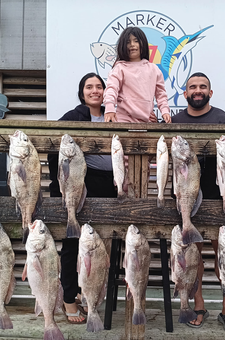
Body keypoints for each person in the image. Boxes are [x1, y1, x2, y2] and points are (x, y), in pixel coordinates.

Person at [171, 72, 225, 335]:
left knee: (223, 253)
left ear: (210, 93)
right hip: (186, 198)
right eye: (193, 87)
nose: (198, 90)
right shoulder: (175, 122)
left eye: (203, 86)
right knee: (193, 256)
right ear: (185, 93)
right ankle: (199, 305)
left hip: (221, 198)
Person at [48, 72, 117, 324]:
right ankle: (68, 298)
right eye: (89, 87)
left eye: (99, 86)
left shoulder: (114, 116)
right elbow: (57, 150)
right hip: (84, 185)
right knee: (72, 242)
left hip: (110, 185)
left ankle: (90, 298)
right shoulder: (73, 117)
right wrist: (62, 190)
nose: (95, 90)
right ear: (82, 92)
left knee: (100, 246)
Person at [103, 27, 171, 124]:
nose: (132, 45)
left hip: (147, 121)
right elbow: (111, 89)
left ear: (143, 43)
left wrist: (165, 111)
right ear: (122, 45)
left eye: (136, 41)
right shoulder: (119, 68)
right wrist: (109, 108)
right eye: (128, 42)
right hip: (123, 120)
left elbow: (161, 94)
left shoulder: (154, 69)